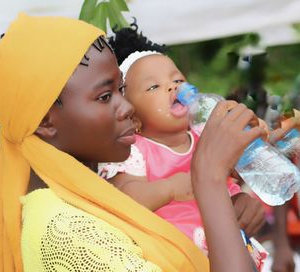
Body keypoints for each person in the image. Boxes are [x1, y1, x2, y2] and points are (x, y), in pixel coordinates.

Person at [0, 13, 266, 272]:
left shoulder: (94, 199)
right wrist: (209, 183)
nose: (128, 107)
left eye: (121, 89)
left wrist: (229, 219)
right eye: (105, 96)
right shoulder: (63, 231)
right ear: (46, 121)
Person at [100, 26, 266, 255]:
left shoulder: (206, 135)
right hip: (178, 254)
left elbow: (243, 168)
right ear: (134, 118)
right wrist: (169, 188)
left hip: (229, 246)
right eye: (154, 86)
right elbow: (125, 199)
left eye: (177, 79)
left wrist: (256, 138)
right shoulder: (135, 151)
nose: (173, 86)